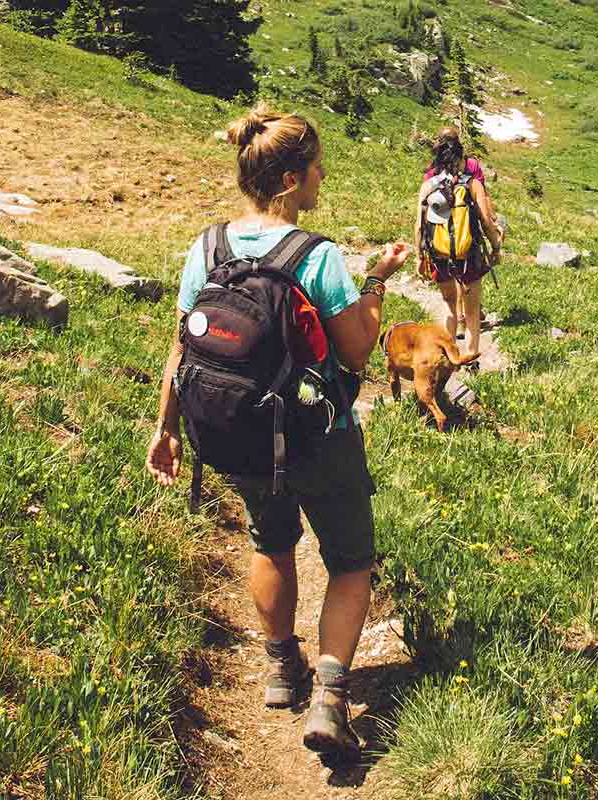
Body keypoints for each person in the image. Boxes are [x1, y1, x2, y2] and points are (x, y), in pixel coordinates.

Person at [145, 106, 410, 760]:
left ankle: (279, 667)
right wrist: (376, 281)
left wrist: (166, 429)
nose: (323, 177)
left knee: (272, 541)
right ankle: (328, 696)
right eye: (317, 167)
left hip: (237, 433)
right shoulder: (314, 256)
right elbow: (354, 354)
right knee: (350, 563)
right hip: (318, 435)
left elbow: (183, 344)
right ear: (292, 179)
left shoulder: (206, 247)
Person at [414, 132, 503, 359]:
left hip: (439, 254)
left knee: (449, 306)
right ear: (461, 157)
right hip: (469, 254)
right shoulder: (472, 184)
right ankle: (471, 358)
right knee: (472, 312)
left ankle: (448, 357)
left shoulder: (428, 186)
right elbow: (485, 221)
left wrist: (419, 257)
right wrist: (495, 247)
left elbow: (419, 226)